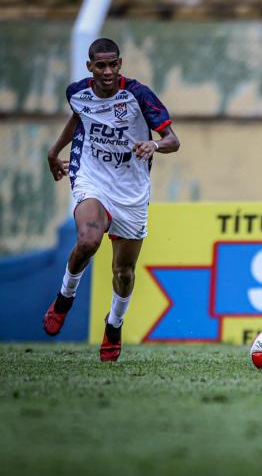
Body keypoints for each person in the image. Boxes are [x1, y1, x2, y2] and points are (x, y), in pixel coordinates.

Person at [43, 38, 179, 362]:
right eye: (100, 65)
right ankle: (65, 297)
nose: (107, 71)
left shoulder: (139, 95)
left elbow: (173, 140)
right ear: (90, 67)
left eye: (113, 64)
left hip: (131, 189)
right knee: (88, 240)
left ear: (120, 64)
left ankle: (114, 325)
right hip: (92, 176)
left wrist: (154, 146)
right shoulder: (77, 92)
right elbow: (80, 116)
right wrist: (53, 151)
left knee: (124, 271)